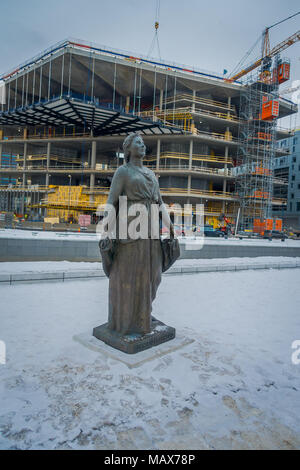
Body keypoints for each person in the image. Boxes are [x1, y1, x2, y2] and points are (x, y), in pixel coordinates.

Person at [103, 132, 174, 336]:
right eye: (138, 142)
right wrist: (106, 230)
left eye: (143, 142)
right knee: (130, 276)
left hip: (151, 231)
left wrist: (170, 227)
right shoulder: (123, 172)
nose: (142, 145)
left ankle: (143, 313)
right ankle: (129, 319)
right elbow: (111, 201)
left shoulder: (151, 174)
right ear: (128, 149)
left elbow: (160, 204)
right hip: (131, 228)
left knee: (154, 276)